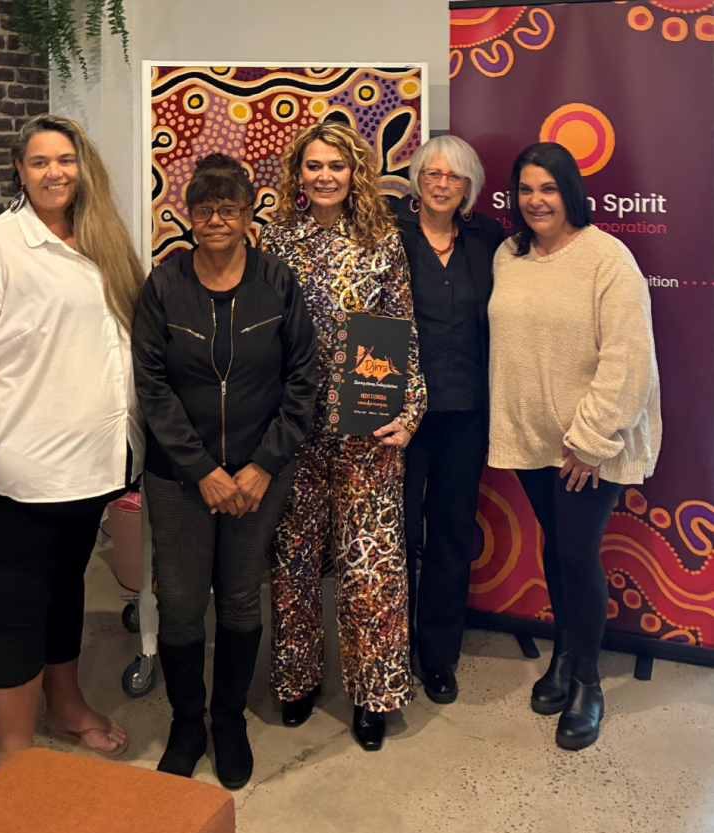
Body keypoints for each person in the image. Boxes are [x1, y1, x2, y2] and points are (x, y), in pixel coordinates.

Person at [0, 114, 145, 766]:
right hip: (19, 471)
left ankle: (66, 706)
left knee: (67, 591)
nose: (55, 173)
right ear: (19, 169)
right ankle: (14, 753)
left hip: (90, 467)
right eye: (40, 161)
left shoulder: (101, 241)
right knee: (16, 608)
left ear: (83, 166)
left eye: (65, 160)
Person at [131, 154, 318, 789]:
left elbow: (303, 379)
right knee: (182, 599)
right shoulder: (164, 284)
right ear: (188, 215)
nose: (216, 220)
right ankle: (188, 723)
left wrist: (263, 464)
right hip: (180, 476)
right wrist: (202, 469)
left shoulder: (276, 281)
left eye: (229, 209)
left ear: (247, 215)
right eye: (204, 209)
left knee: (239, 596)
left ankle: (229, 720)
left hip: (259, 474)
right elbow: (151, 386)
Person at [259, 122, 427, 752]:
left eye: (337, 165)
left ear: (354, 173)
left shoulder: (381, 241)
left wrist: (410, 411)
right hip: (293, 428)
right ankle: (296, 679)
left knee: (369, 566)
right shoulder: (276, 240)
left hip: (367, 428)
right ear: (298, 174)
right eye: (314, 166)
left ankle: (372, 695)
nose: (325, 175)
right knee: (294, 561)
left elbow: (404, 330)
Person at [488, 142, 661, 750]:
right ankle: (564, 655)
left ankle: (587, 681)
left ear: (570, 193)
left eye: (549, 188)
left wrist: (589, 441)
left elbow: (629, 359)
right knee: (558, 547)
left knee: (578, 554)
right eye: (526, 189)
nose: (536, 200)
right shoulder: (509, 255)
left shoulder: (607, 258)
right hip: (535, 439)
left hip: (590, 444)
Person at [391, 136, 504, 704]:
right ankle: (390, 648)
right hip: (398, 416)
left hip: (465, 412)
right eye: (432, 174)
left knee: (452, 533)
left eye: (454, 176)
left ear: (469, 187)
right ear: (417, 179)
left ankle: (438, 655)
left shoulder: (488, 239)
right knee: (398, 534)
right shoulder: (388, 233)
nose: (442, 184)